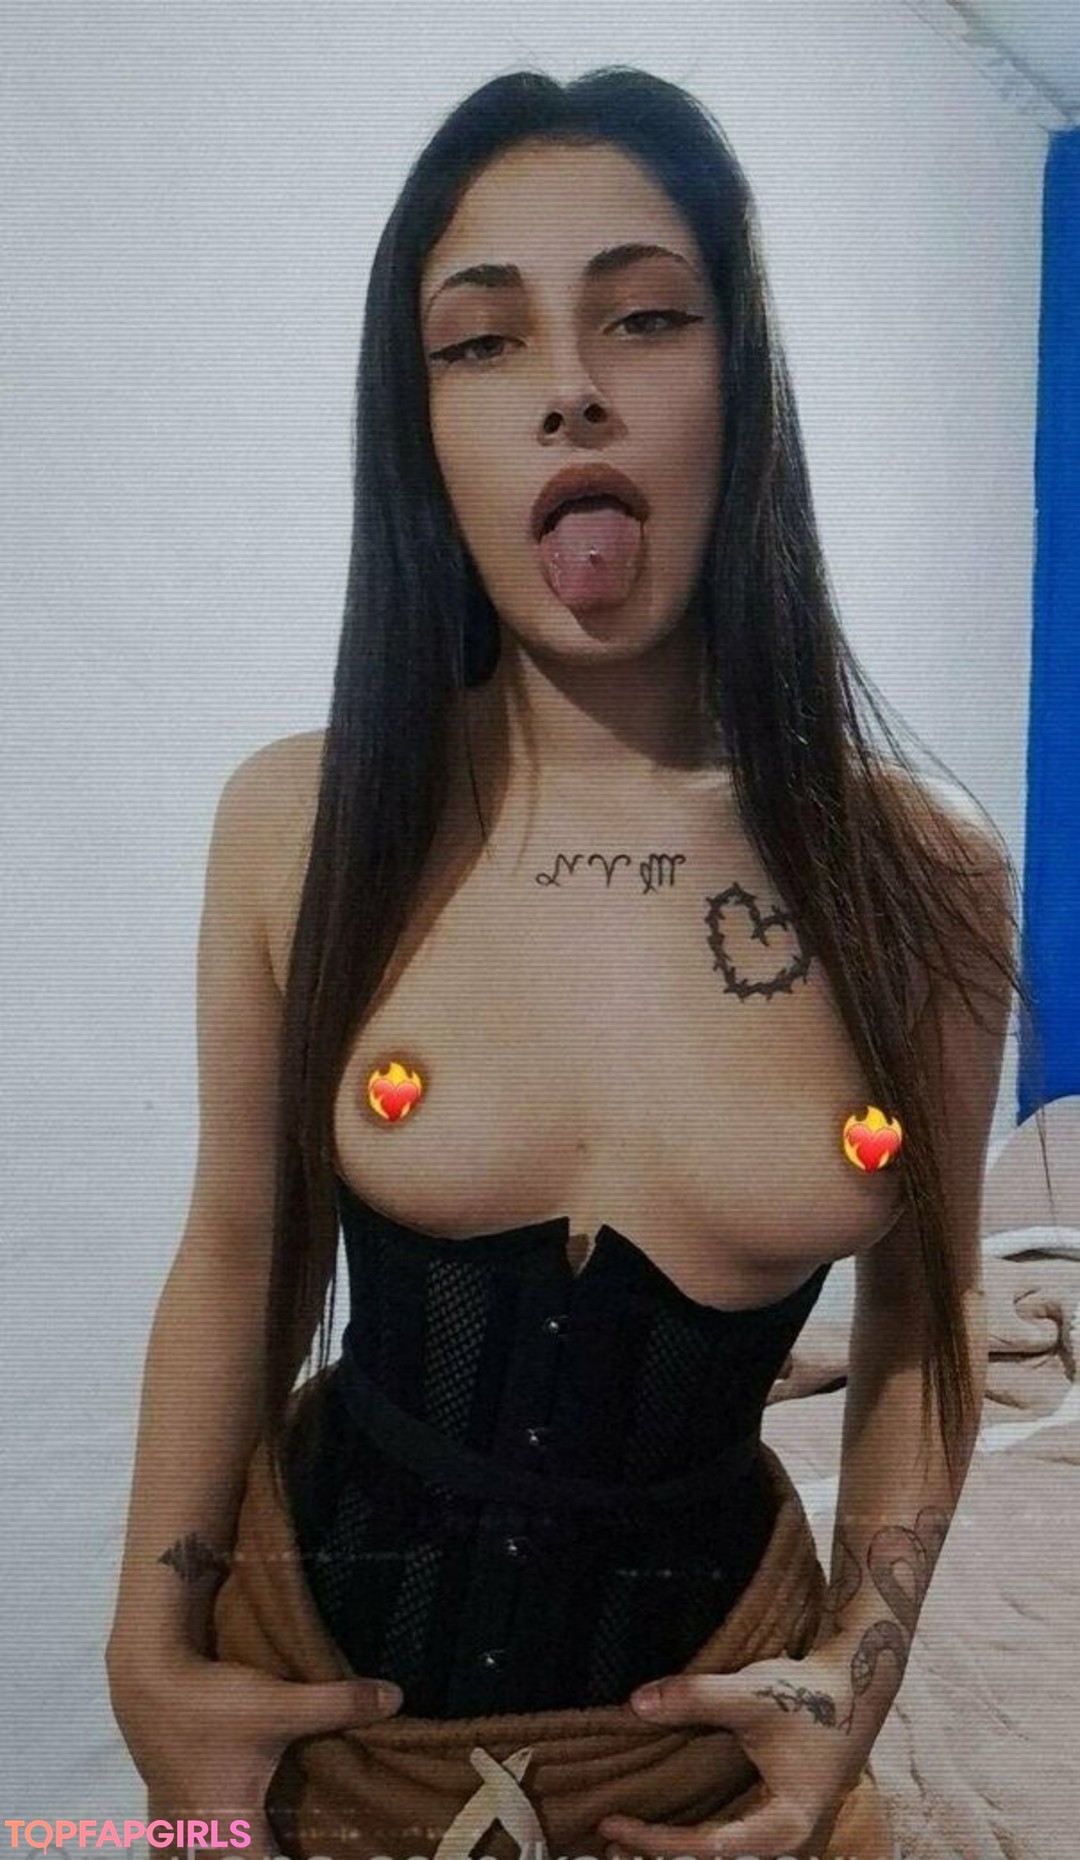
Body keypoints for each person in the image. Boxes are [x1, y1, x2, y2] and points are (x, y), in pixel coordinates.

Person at [106, 65, 1045, 1860]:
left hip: (708, 1747)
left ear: (741, 381)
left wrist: (860, 1677)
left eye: (645, 316)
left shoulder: (922, 876)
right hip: (311, 1715)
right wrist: (148, 1655)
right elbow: (239, 1245)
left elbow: (923, 1318)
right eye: (481, 341)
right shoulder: (303, 824)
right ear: (422, 428)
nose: (569, 386)